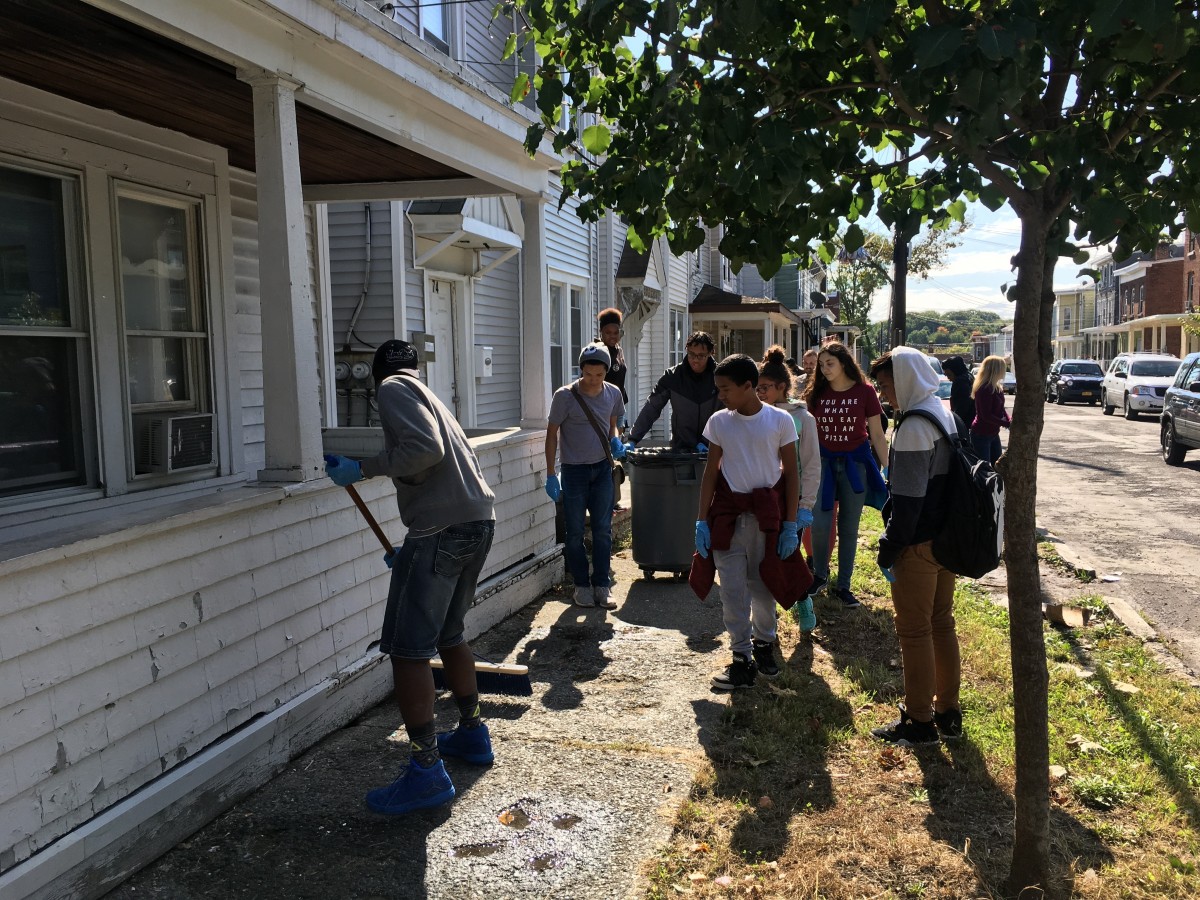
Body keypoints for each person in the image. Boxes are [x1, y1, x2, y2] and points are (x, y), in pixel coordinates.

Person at [323, 339, 496, 816]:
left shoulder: (396, 389)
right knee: (449, 634)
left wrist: (362, 468)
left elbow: (424, 450)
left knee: (406, 649)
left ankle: (425, 771)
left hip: (442, 527)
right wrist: (418, 547)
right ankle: (472, 732)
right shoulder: (429, 394)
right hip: (475, 521)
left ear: (378, 375)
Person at [868, 347, 963, 746]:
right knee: (942, 623)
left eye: (887, 385)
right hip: (947, 541)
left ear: (905, 379)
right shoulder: (944, 413)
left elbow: (907, 505)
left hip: (918, 546)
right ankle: (948, 712)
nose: (884, 394)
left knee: (913, 632)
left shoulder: (911, 428)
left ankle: (921, 722)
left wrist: (889, 549)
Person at [694, 354, 802, 689]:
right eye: (718, 389)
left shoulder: (779, 421)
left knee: (763, 584)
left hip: (766, 518)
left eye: (726, 389)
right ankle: (741, 657)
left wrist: (790, 523)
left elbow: (792, 473)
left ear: (748, 386)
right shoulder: (719, 422)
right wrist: (701, 521)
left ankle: (764, 644)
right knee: (732, 589)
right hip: (727, 516)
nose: (721, 395)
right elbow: (711, 473)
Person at [802, 341, 889, 609]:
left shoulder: (865, 392)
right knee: (819, 524)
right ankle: (819, 576)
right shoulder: (816, 393)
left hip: (856, 466)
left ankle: (845, 586)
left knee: (849, 528)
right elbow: (808, 435)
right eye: (822, 365)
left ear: (844, 363)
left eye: (830, 363)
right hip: (824, 465)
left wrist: (889, 470)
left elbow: (877, 434)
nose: (825, 369)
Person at [545, 343, 626, 609]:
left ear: (605, 372)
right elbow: (551, 434)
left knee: (603, 530)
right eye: (588, 374)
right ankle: (581, 586)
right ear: (581, 370)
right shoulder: (565, 396)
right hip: (574, 471)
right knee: (575, 532)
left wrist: (616, 441)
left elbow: (614, 426)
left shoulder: (613, 393)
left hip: (603, 468)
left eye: (599, 375)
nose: (593, 380)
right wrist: (550, 473)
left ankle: (602, 585)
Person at [756, 346, 821, 634]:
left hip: (790, 501)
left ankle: (803, 599)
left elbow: (810, 464)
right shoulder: (754, 416)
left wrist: (805, 506)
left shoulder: (803, 419)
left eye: (766, 388)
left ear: (783, 387)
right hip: (762, 498)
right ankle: (765, 612)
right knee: (762, 556)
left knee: (788, 556)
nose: (760, 393)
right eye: (757, 388)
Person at [626, 331, 718, 450]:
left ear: (710, 353)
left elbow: (730, 413)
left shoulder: (721, 378)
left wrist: (708, 441)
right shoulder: (672, 376)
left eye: (701, 356)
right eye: (691, 354)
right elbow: (651, 408)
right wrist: (633, 439)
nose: (695, 360)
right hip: (681, 450)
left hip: (714, 449)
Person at [597, 307, 629, 509]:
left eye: (615, 332)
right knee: (605, 454)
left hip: (619, 408)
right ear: (601, 332)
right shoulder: (598, 352)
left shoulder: (618, 350)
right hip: (604, 409)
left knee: (615, 456)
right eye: (608, 332)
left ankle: (613, 499)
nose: (612, 336)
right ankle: (605, 500)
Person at [970, 355, 1010, 464]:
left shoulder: (997, 387)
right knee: (985, 468)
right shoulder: (984, 389)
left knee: (997, 465)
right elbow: (985, 415)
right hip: (981, 434)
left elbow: (1001, 409)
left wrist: (1008, 420)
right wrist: (1005, 424)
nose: (1005, 370)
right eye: (1003, 367)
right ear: (996, 369)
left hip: (993, 433)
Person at [943, 356, 975, 429]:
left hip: (964, 423)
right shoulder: (969, 376)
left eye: (949, 374)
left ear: (955, 371)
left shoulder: (960, 382)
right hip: (972, 421)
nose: (948, 378)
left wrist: (954, 422)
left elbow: (962, 406)